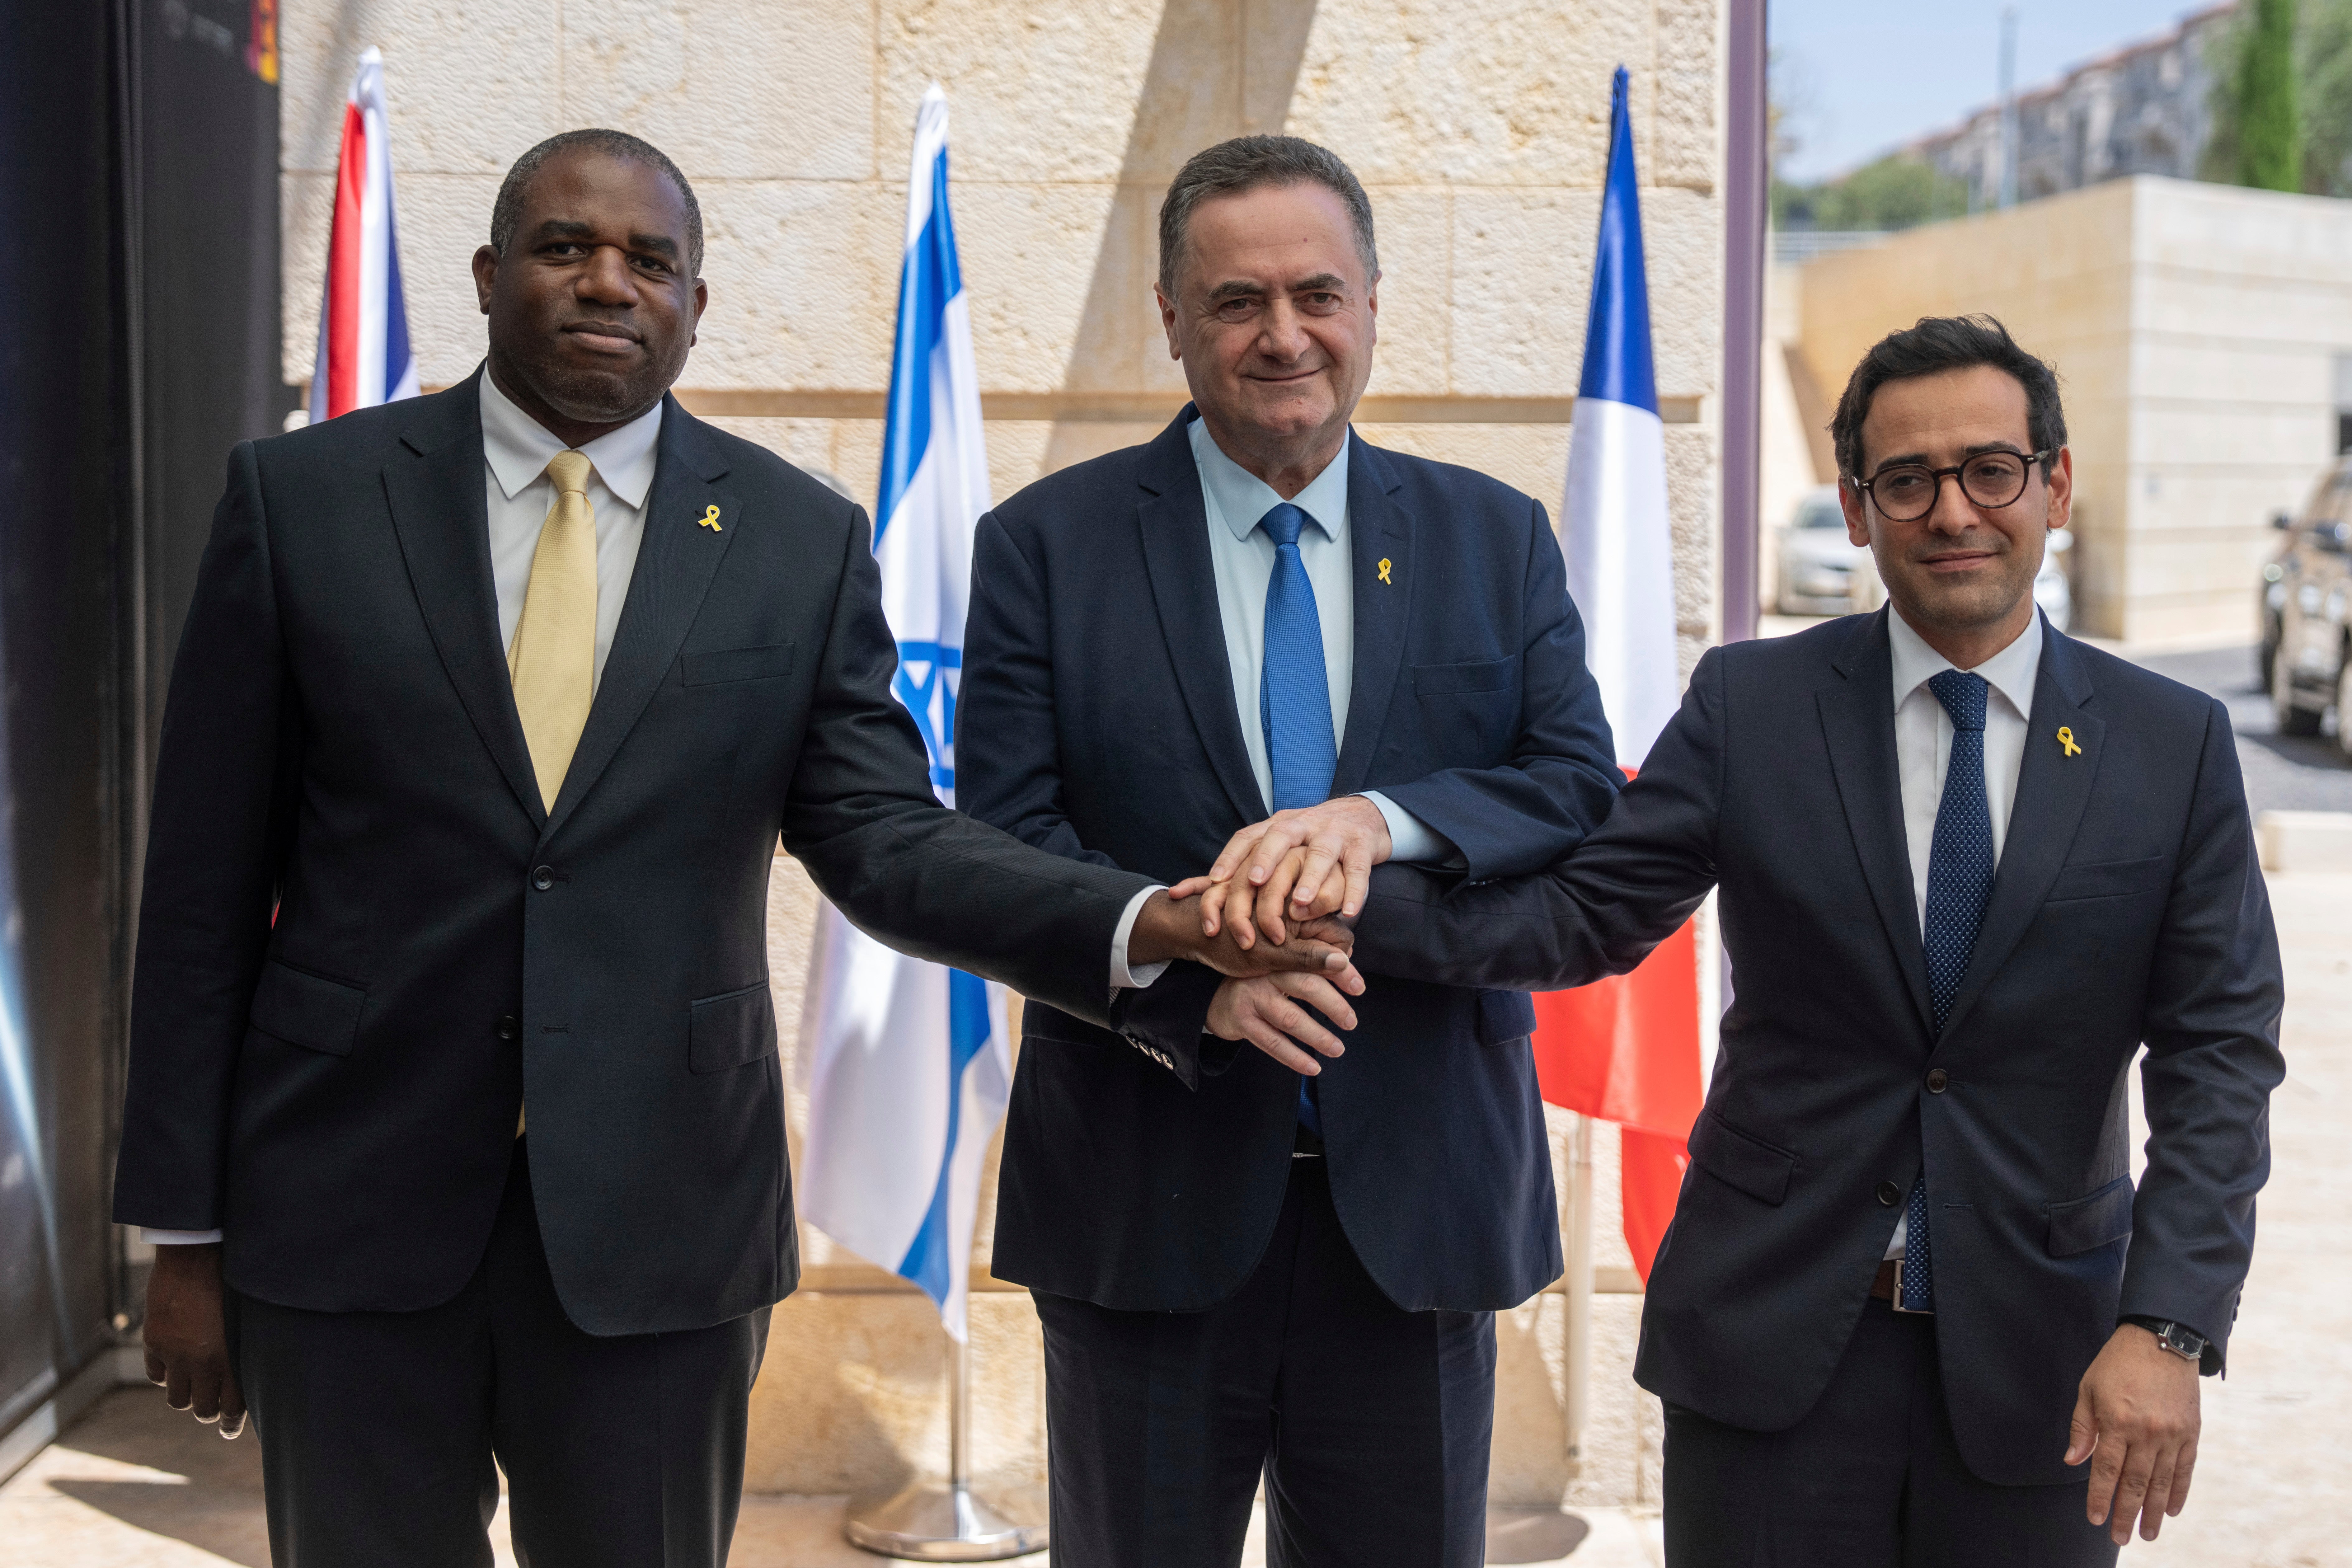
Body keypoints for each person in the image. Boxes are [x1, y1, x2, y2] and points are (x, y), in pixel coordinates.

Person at [114, 128, 1352, 1568]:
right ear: (487, 274)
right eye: (565, 247)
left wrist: (1149, 923)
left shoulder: (793, 541)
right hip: (344, 1217)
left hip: (663, 1235)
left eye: (651, 260)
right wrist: (182, 1240)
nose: (607, 283)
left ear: (698, 305)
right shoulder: (301, 504)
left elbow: (886, 841)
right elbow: (201, 895)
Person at [1273, 314, 2284, 1565]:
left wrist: (2170, 1328)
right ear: (1857, 512)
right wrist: (1340, 893)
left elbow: (2221, 1060)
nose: (1953, 511)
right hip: (1774, 1357)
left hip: (2049, 1369)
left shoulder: (2171, 746)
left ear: (2055, 484)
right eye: (1905, 481)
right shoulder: (1752, 707)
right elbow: (1581, 917)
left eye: (1991, 470)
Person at [955, 134, 1624, 1566]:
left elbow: (1574, 788)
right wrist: (1193, 983)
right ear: (1173, 319)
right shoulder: (1043, 547)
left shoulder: (1492, 540)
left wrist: (1381, 822)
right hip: (1145, 1197)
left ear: (1373, 303)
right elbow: (1002, 849)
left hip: (1418, 1209)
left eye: (1318, 293)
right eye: (1237, 301)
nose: (1283, 334)